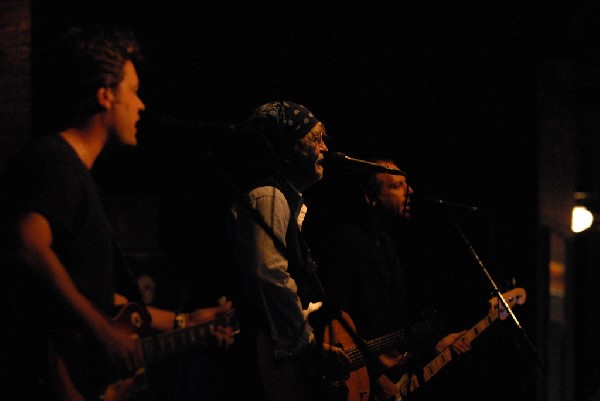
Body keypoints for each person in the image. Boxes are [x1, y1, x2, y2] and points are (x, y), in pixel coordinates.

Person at [0, 26, 233, 401]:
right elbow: (27, 244)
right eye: (134, 91)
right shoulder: (55, 162)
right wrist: (102, 332)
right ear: (106, 95)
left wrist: (187, 322)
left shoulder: (75, 174)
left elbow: (106, 303)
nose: (141, 105)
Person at [310, 158, 473, 401]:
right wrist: (377, 375)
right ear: (370, 197)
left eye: (407, 184)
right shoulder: (349, 242)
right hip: (354, 383)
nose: (410, 192)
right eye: (397, 186)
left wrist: (435, 345)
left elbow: (392, 330)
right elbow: (334, 321)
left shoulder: (388, 244)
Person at [224, 101, 350, 401]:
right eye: (315, 138)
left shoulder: (281, 201)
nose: (325, 148)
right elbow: (270, 277)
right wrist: (306, 347)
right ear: (287, 145)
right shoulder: (268, 196)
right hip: (253, 367)